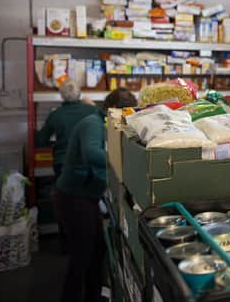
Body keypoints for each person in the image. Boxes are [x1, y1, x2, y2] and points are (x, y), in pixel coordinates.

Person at [55, 87, 137, 302]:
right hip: (74, 196)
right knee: (82, 254)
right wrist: (122, 162)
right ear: (111, 110)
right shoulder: (93, 124)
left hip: (86, 195)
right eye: (124, 114)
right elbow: (92, 154)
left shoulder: (106, 125)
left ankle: (93, 295)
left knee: (97, 250)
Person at [35, 79, 98, 179]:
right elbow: (108, 123)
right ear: (79, 93)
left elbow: (42, 140)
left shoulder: (55, 114)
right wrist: (93, 105)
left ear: (62, 95)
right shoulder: (93, 110)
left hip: (63, 164)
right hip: (89, 164)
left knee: (67, 193)